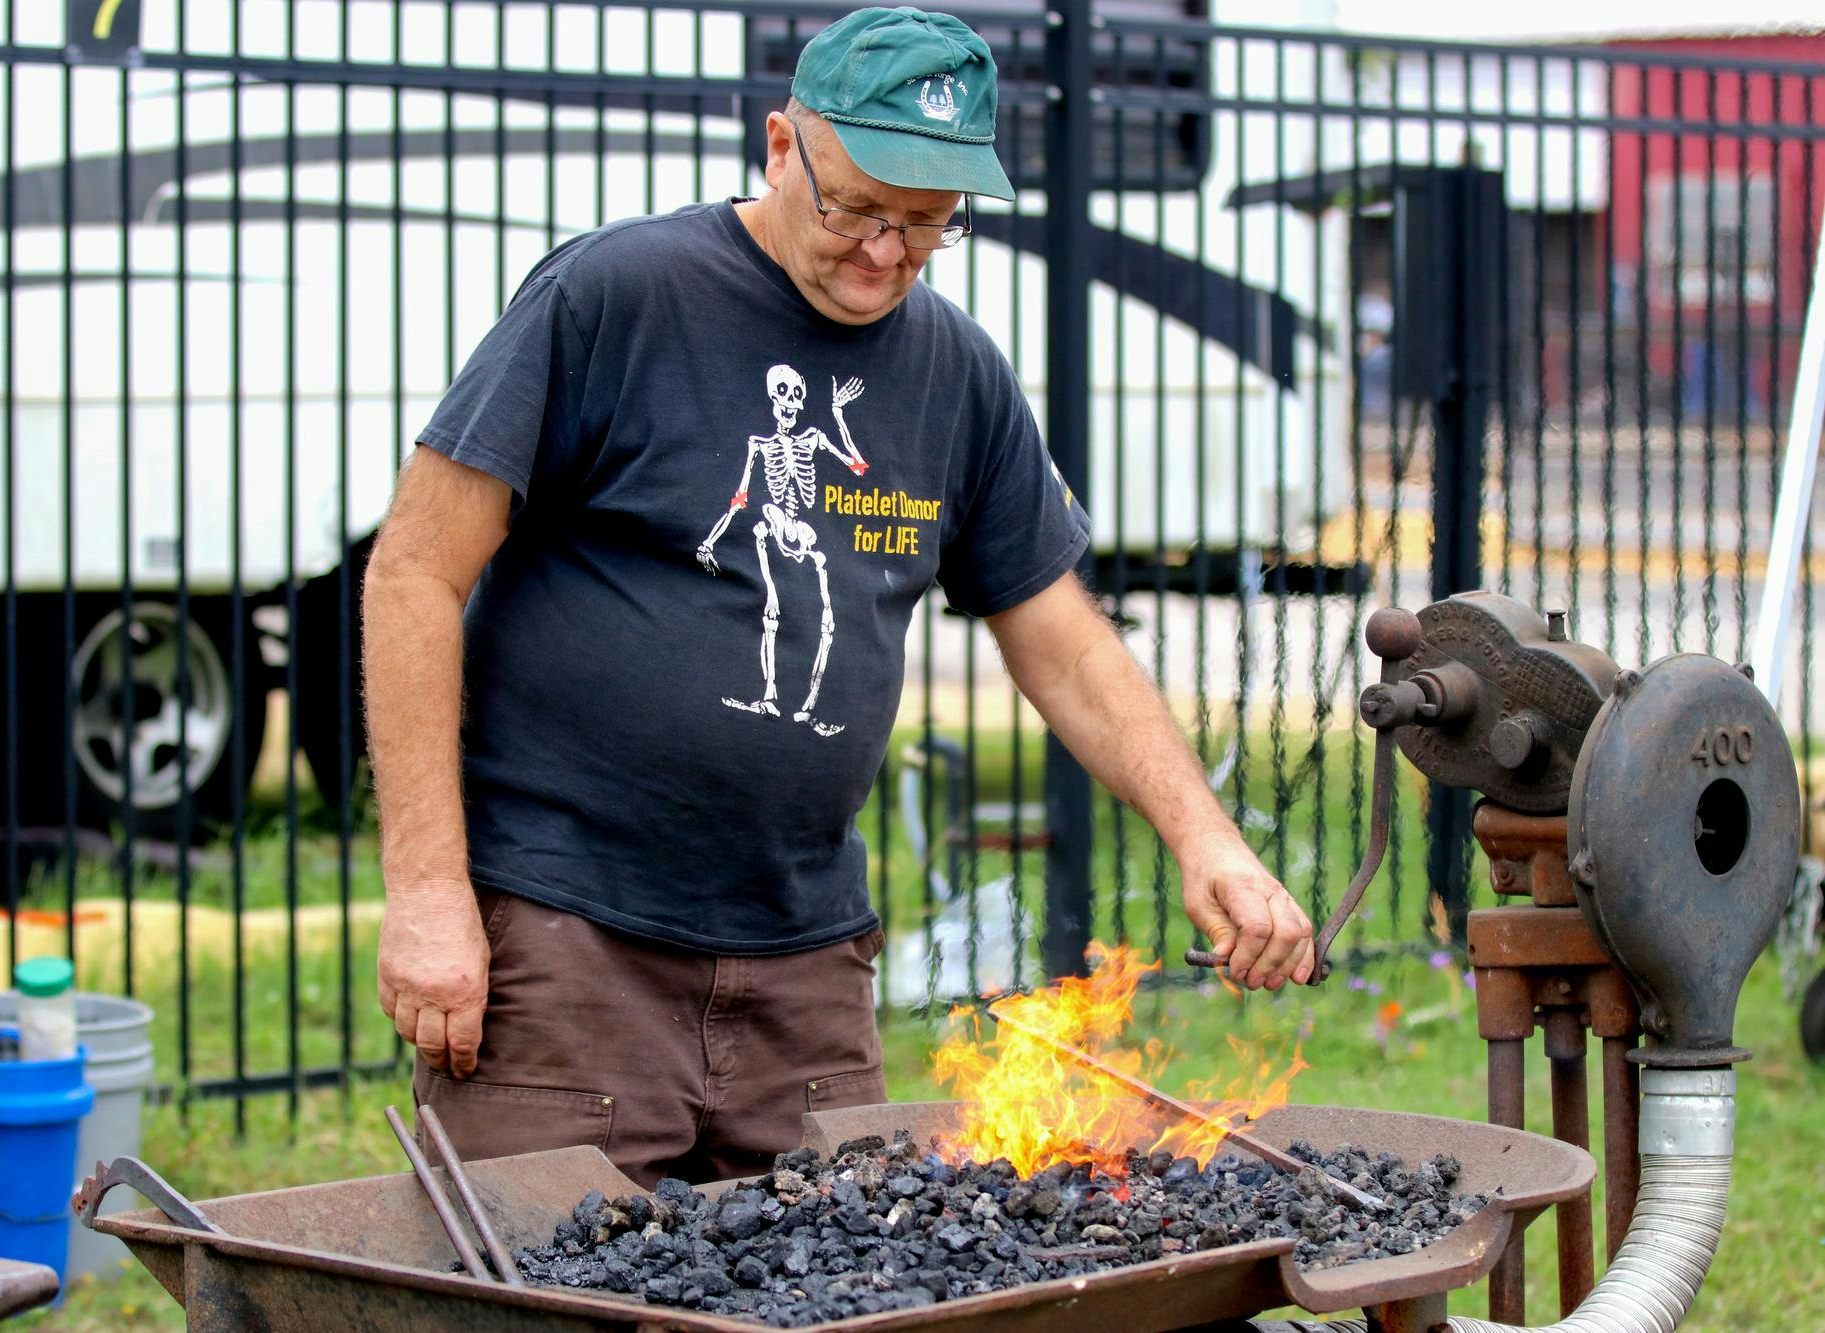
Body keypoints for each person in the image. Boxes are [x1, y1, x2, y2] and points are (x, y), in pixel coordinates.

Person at [362, 5, 1315, 1188]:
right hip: (568, 950)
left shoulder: (953, 371)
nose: (884, 253)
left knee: (838, 1301)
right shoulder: (616, 295)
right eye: (857, 207)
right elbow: (413, 571)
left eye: (926, 226)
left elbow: (1064, 643)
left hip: (804, 975)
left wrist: (1204, 836)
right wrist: (426, 891)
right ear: (779, 146)